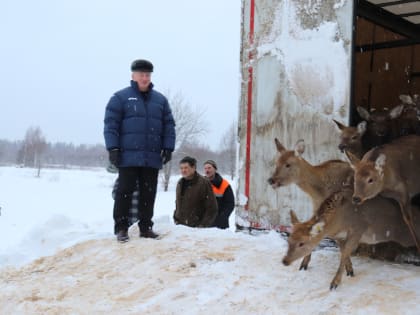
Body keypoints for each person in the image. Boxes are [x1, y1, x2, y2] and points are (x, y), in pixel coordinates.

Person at [104, 59, 176, 242]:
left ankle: (146, 227)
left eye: (147, 75)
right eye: (141, 75)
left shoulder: (160, 100)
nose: (144, 78)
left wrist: (168, 147)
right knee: (124, 192)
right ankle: (121, 228)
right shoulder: (120, 98)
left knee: (148, 193)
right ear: (133, 76)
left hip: (151, 156)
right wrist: (113, 148)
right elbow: (111, 125)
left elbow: (169, 125)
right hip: (128, 156)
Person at [173, 156, 218, 227]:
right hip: (180, 226)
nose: (183, 170)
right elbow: (178, 202)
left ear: (193, 168)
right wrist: (176, 217)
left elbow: (212, 208)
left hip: (196, 228)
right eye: (181, 168)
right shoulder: (180, 182)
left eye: (186, 168)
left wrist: (203, 225)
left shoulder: (204, 183)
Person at [203, 160, 235, 229]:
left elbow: (230, 204)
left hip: (220, 224)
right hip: (204, 223)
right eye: (205, 168)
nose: (207, 170)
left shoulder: (224, 184)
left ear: (215, 169)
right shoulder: (200, 183)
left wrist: (222, 218)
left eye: (209, 168)